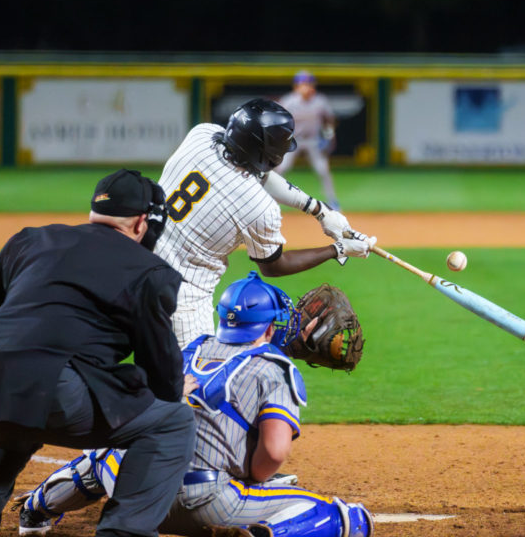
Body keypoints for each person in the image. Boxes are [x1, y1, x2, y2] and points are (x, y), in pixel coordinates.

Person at [14, 272, 373, 537]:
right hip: (203, 503)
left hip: (134, 493)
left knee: (106, 455)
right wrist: (255, 478)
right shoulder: (275, 369)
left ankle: (35, 510)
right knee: (352, 520)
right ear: (268, 328)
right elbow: (275, 454)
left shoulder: (189, 349)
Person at [0, 169, 196, 537]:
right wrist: (160, 392)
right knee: (173, 421)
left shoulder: (30, 239)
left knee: (19, 397)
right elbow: (161, 370)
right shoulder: (151, 271)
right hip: (56, 393)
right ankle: (123, 536)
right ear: (143, 223)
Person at [152, 96, 374, 347]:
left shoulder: (201, 135)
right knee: (194, 382)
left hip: (136, 266)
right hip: (183, 298)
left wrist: (320, 211)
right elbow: (273, 266)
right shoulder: (257, 206)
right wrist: (338, 249)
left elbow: (259, 173)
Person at [274, 70, 341, 210]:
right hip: (293, 140)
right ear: (296, 86)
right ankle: (268, 199)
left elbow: (329, 119)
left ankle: (333, 201)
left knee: (323, 170)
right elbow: (278, 120)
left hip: (313, 141)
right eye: (303, 84)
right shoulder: (289, 101)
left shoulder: (320, 100)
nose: (306, 87)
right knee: (280, 168)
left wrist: (328, 135)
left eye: (309, 84)